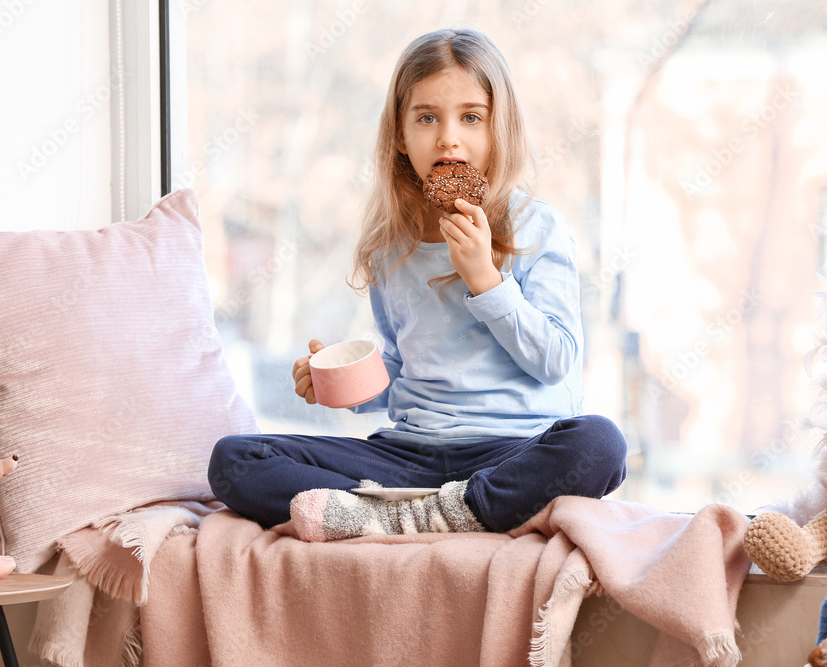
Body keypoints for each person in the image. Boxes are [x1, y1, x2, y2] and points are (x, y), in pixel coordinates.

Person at [208, 27, 627, 542]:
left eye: (471, 118)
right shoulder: (393, 246)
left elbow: (557, 359)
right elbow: (403, 369)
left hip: (514, 449)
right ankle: (431, 512)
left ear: (499, 132)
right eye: (427, 118)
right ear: (402, 138)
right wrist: (339, 383)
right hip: (410, 456)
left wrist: (487, 281)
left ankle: (409, 514)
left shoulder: (538, 229)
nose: (449, 136)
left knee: (600, 445)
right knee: (235, 460)